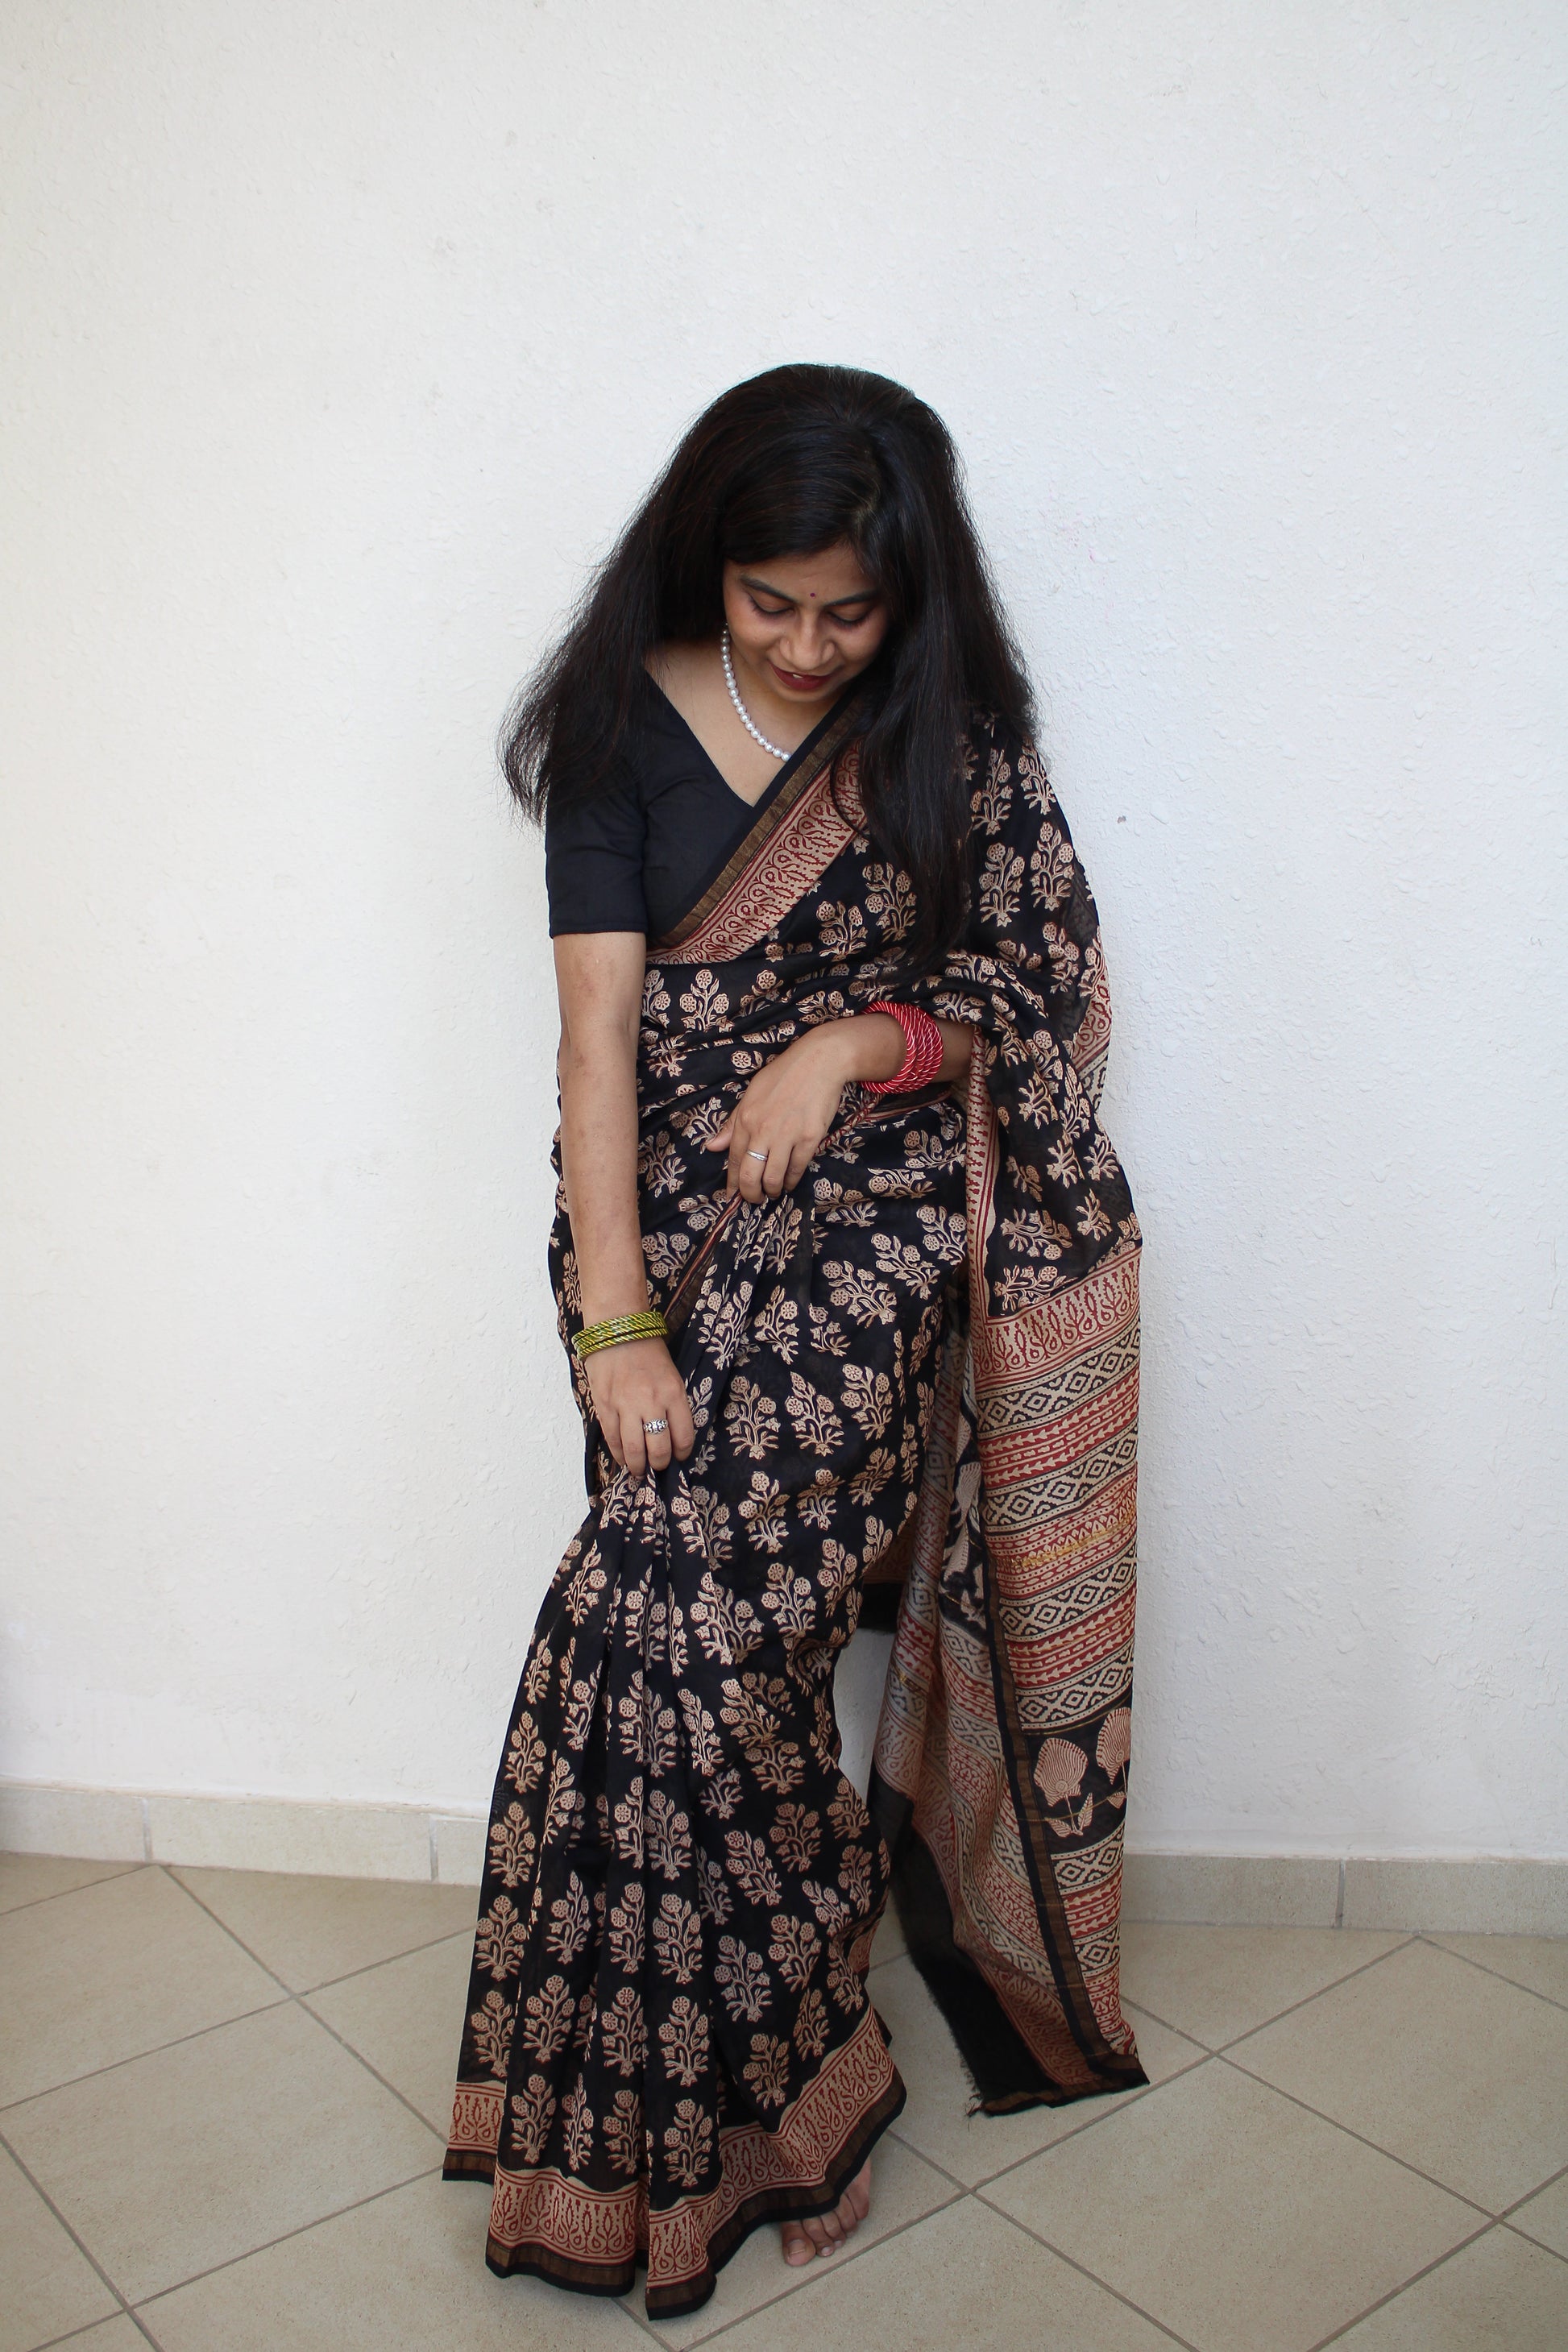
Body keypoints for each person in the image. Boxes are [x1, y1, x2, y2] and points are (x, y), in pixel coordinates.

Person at [444, 364, 1146, 2319]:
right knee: (647, 1640)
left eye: (853, 609)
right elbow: (597, 1044)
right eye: (775, 605)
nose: (815, 646)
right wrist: (615, 1322)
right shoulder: (615, 727)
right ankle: (767, 2083)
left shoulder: (946, 727)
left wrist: (851, 1041)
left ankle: (777, 2097)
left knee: (710, 1635)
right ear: (709, 564)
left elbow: (1039, 987)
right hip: (662, 1230)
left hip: (881, 1227)